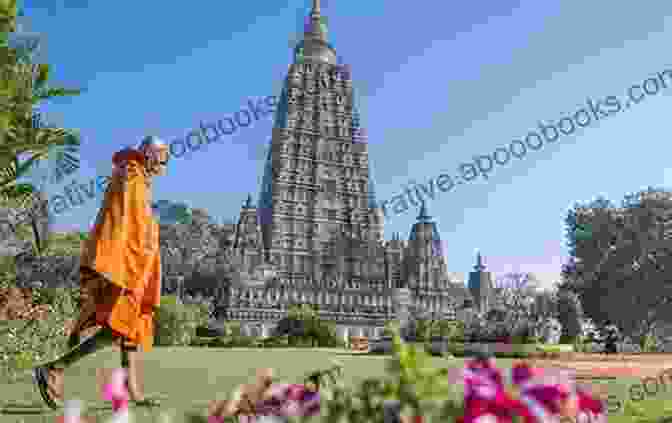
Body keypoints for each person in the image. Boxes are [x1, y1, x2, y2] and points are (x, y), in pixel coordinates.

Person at [32, 135, 169, 410]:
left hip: (135, 265)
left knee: (129, 327)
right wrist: (125, 261)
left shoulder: (137, 178)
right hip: (126, 265)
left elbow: (137, 221)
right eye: (163, 159)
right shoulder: (130, 175)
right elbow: (123, 223)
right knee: (117, 328)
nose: (164, 165)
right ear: (151, 154)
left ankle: (133, 391)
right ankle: (55, 368)